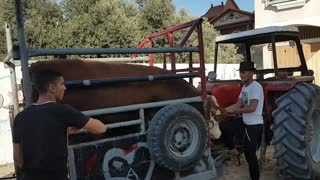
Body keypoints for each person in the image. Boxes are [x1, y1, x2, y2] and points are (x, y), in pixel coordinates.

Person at [12, 70, 107, 180]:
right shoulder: (63, 111)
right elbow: (100, 128)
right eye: (62, 84)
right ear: (52, 88)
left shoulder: (20, 117)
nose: (65, 88)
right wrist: (80, 124)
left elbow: (18, 159)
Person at [225, 62, 264, 180]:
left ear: (251, 73)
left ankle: (255, 178)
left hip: (254, 125)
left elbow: (252, 108)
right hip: (246, 122)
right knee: (226, 127)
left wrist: (236, 112)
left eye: (244, 72)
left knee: (250, 155)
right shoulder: (244, 87)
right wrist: (222, 111)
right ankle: (232, 148)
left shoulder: (256, 87)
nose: (241, 75)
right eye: (240, 72)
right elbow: (238, 104)